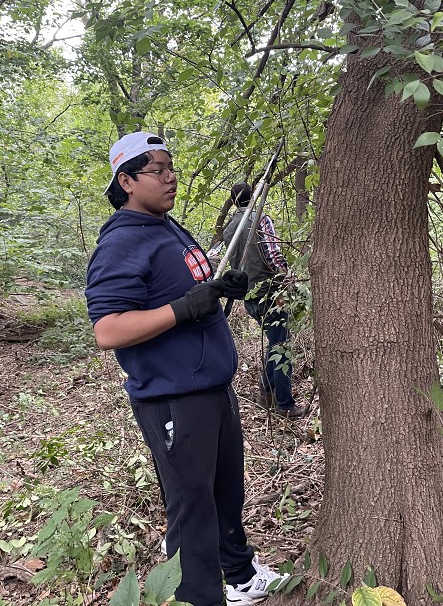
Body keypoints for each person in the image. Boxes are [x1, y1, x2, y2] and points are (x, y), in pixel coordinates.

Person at [85, 132, 287, 606]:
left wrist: (219, 289)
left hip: (211, 387)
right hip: (174, 397)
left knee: (225, 495)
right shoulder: (122, 241)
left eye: (171, 167)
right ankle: (197, 597)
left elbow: (190, 288)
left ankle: (239, 577)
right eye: (157, 170)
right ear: (127, 181)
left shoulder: (166, 226)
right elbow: (108, 330)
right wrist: (184, 309)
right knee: (193, 510)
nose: (171, 177)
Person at [223, 182, 306, 419]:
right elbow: (273, 255)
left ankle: (265, 393)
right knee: (282, 347)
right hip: (271, 294)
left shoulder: (229, 229)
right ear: (253, 198)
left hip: (249, 297)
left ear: (234, 202)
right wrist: (288, 278)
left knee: (275, 344)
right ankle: (285, 405)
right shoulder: (260, 219)